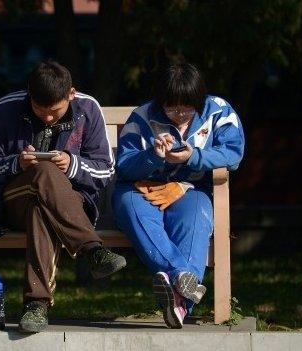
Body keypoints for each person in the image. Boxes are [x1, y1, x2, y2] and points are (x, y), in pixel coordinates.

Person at [0, 60, 127, 333]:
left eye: (54, 111)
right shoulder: (6, 107)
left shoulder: (88, 108)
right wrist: (16, 164)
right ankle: (92, 249)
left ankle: (37, 305)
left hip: (71, 205)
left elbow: (106, 170)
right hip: (13, 202)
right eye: (39, 110)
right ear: (28, 95)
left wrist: (73, 164)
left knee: (41, 209)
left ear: (71, 94)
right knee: (42, 174)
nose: (47, 118)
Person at [112, 63, 245, 328]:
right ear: (160, 101)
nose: (179, 115)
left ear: (199, 100)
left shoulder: (218, 110)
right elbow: (124, 165)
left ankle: (178, 301)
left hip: (192, 189)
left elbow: (233, 153)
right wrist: (153, 155)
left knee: (193, 220)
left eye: (187, 108)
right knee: (129, 205)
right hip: (142, 188)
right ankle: (183, 282)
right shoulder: (142, 116)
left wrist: (193, 156)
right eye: (171, 108)